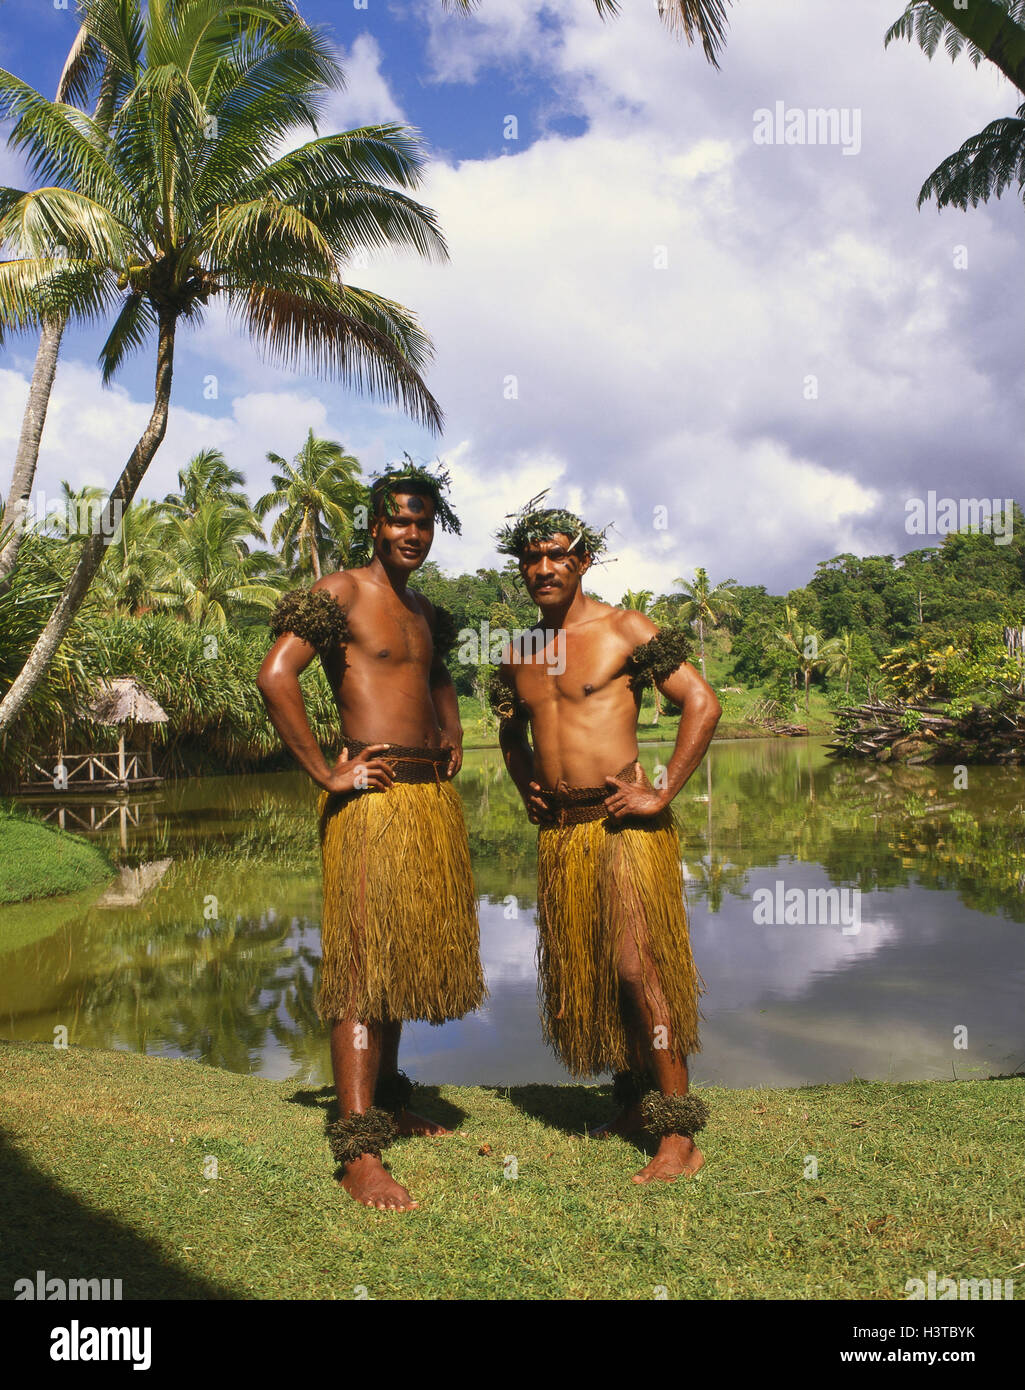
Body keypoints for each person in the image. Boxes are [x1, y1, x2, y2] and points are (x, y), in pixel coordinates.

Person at [257, 464, 485, 1211]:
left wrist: (450, 731)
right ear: (373, 525)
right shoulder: (340, 593)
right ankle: (357, 1150)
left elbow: (433, 673)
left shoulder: (421, 609)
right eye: (397, 520)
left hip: (425, 801)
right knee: (361, 964)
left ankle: (387, 1101)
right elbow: (275, 675)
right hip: (372, 801)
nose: (410, 533)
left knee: (393, 962)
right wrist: (326, 771)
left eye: (422, 522)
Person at [491, 496, 721, 1183]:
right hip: (561, 835)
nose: (542, 567)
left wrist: (663, 791)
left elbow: (701, 703)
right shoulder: (517, 653)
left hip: (622, 825)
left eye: (555, 554)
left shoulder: (625, 628)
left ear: (582, 559)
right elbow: (509, 728)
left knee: (635, 967)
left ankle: (677, 1132)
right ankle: (631, 1102)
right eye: (530, 558)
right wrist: (523, 781)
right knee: (593, 973)